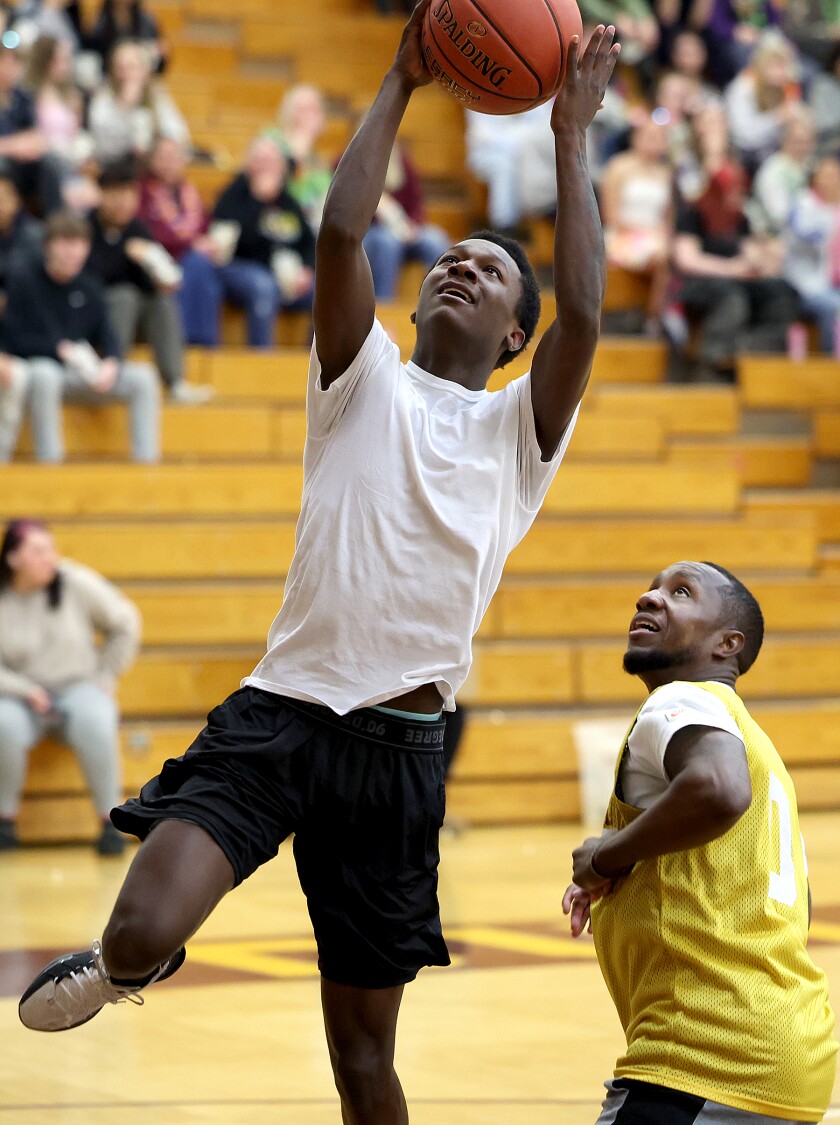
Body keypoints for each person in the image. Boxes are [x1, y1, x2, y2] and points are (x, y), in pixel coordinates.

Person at [17, 12, 620, 1125]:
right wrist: (398, 79)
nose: (459, 269)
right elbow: (341, 240)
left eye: (486, 272)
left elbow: (586, 307)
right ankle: (132, 968)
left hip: (396, 754)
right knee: (140, 930)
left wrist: (569, 135)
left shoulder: (518, 439)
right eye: (449, 257)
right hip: (278, 717)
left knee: (361, 1062)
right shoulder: (360, 381)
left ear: (513, 338)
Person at [562, 560, 838, 1123]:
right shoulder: (757, 746)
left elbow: (716, 791)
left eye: (680, 592)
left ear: (726, 643)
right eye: (653, 587)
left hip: (705, 1052)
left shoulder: (679, 700)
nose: (650, 597)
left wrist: (603, 857)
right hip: (792, 1053)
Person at [0, 519, 141, 855]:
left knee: (96, 720)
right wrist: (24, 691)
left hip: (78, 687)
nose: (49, 558)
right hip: (19, 694)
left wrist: (107, 675)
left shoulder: (75, 581)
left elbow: (126, 621)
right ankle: (5, 821)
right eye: (37, 551)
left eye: (51, 549)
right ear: (12, 558)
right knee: (3, 724)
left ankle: (110, 823)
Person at [3, 210, 160, 462]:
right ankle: (50, 463)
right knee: (44, 374)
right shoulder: (25, 280)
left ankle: (148, 465)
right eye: (63, 243)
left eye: (78, 244)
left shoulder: (90, 285)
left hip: (82, 372)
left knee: (143, 377)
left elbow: (108, 334)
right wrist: (56, 349)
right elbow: (13, 337)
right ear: (48, 247)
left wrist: (111, 361)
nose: (71, 252)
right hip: (43, 371)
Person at [86, 159, 211, 402]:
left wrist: (153, 270)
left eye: (128, 193)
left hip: (135, 313)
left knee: (162, 301)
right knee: (125, 296)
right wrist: (125, 255)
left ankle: (176, 382)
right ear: (102, 194)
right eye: (115, 193)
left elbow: (149, 284)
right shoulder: (87, 227)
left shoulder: (138, 229)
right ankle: (113, 373)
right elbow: (89, 279)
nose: (122, 201)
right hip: (96, 310)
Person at [210, 137, 316, 348]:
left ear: (282, 168)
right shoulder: (234, 195)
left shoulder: (288, 201)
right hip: (242, 268)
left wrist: (307, 269)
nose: (265, 167)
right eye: (260, 160)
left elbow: (308, 241)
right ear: (249, 165)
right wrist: (259, 200)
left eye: (271, 162)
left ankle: (316, 364)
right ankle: (262, 358)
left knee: (325, 292)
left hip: (286, 274)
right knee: (264, 286)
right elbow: (237, 242)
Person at [137, 135, 222, 348]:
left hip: (191, 260)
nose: (168, 163)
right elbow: (147, 232)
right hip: (158, 261)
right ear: (151, 161)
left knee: (202, 267)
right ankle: (186, 341)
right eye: (162, 157)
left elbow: (202, 224)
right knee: (197, 263)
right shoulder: (142, 191)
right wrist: (191, 244)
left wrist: (210, 241)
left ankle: (203, 344)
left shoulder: (188, 192)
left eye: (174, 157)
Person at [87, 39, 188, 166]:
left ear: (145, 70)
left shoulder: (155, 95)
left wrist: (162, 145)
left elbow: (178, 131)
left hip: (152, 164)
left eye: (132, 67)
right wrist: (124, 107)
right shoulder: (103, 99)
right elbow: (103, 146)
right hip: (116, 168)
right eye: (120, 68)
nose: (126, 75)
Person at [784, 156, 840, 353]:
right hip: (806, 284)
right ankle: (833, 367)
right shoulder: (803, 203)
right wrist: (829, 209)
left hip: (833, 284)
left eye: (835, 176)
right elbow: (810, 235)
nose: (832, 181)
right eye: (826, 176)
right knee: (836, 307)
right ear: (815, 179)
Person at [0, 40, 63, 215]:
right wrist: (13, 145)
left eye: (13, 62)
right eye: (3, 61)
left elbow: (36, 134)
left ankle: (55, 221)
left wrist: (28, 145)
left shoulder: (22, 96)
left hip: (22, 159)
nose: (8, 68)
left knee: (49, 162)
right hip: (5, 160)